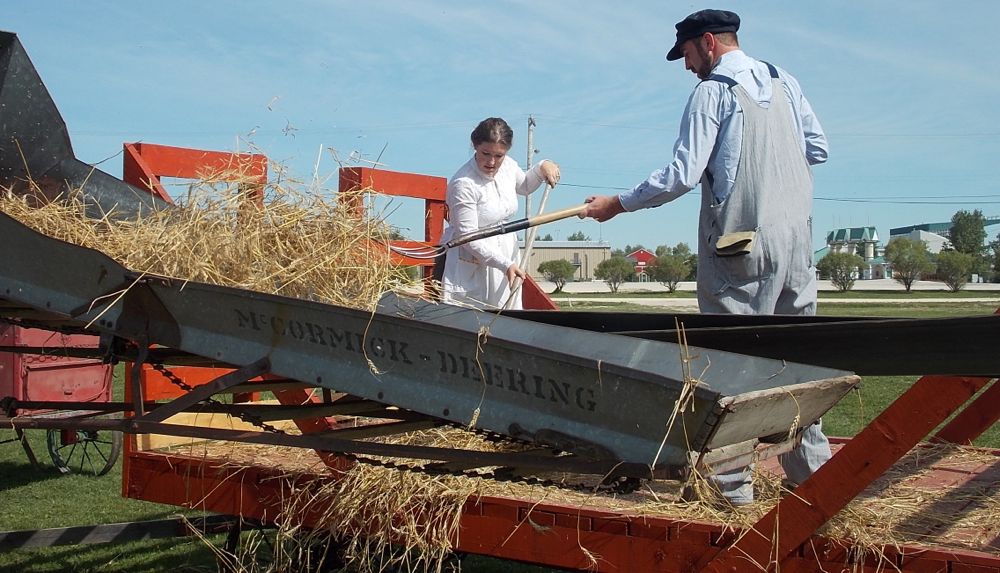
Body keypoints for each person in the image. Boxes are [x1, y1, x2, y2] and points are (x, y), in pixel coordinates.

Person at [579, 9, 830, 506]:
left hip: (740, 248)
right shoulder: (786, 82)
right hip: (798, 246)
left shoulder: (712, 92)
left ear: (709, 43)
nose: (686, 65)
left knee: (731, 370)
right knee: (800, 366)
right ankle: (816, 484)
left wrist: (617, 204)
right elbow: (817, 149)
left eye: (687, 54)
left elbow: (682, 174)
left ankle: (732, 496)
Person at [437, 117, 560, 310]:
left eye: (499, 155)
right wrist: (504, 264)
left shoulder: (508, 166)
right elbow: (467, 237)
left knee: (508, 315)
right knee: (474, 318)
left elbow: (525, 185)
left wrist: (542, 166)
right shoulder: (463, 183)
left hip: (506, 252)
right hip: (473, 257)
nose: (492, 162)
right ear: (475, 146)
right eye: (486, 153)